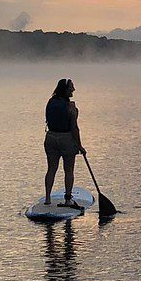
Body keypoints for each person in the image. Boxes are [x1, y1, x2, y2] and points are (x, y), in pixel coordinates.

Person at [43, 78, 81, 206]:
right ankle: (68, 199)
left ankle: (47, 199)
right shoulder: (70, 107)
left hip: (50, 138)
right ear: (65, 90)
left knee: (51, 169)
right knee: (68, 170)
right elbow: (74, 128)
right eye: (71, 87)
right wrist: (79, 145)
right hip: (66, 139)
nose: (73, 90)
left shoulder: (50, 102)